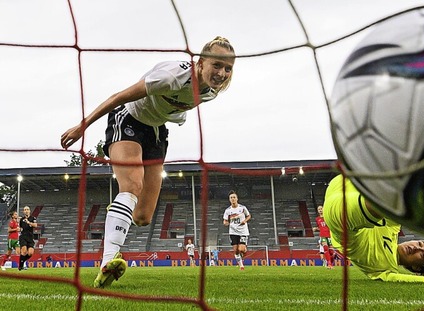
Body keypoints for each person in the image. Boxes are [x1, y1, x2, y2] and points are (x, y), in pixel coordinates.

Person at [60, 37, 236, 288]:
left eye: (228, 69)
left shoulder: (212, 92)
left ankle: (116, 226)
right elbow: (117, 97)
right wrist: (82, 126)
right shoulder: (170, 76)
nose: (221, 73)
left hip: (156, 132)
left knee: (143, 216)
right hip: (128, 119)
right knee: (131, 186)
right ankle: (107, 261)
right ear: (200, 63)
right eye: (217, 65)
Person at [323, 175, 424, 283]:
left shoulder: (387, 267)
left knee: (390, 201)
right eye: (420, 244)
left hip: (340, 220)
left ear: (416, 268)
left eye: (422, 255)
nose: (415, 248)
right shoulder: (394, 230)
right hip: (347, 183)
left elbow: (394, 278)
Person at [223, 190, 251, 270]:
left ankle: (244, 250)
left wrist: (245, 221)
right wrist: (226, 223)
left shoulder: (242, 208)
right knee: (236, 251)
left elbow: (248, 216)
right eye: (231, 197)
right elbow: (225, 220)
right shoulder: (227, 210)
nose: (233, 199)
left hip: (243, 231)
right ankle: (241, 266)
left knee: (241, 249)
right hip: (233, 231)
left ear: (237, 198)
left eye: (234, 197)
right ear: (229, 199)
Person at [18, 206, 37, 271]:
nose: (26, 211)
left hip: (30, 237)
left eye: (27, 209)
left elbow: (35, 225)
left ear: (29, 211)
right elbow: (20, 228)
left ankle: (21, 262)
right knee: (24, 251)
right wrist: (19, 229)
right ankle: (20, 266)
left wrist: (29, 222)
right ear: (23, 211)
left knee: (30, 253)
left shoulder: (33, 218)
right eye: (25, 210)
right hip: (23, 236)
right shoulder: (21, 219)